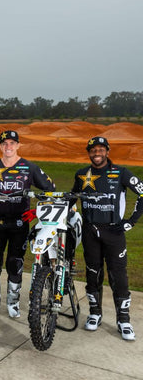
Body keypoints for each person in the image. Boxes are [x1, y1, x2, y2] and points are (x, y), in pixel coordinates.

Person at [0, 130, 55, 319]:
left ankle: (13, 303)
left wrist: (38, 211)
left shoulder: (29, 167)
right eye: (5, 144)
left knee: (14, 263)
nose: (8, 147)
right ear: (0, 146)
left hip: (20, 224)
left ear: (18, 145)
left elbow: (50, 189)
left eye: (12, 143)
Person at [71, 136, 143, 341]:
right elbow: (72, 198)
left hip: (114, 232)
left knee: (118, 276)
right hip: (90, 231)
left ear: (107, 151)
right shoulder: (81, 174)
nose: (97, 153)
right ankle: (95, 313)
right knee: (93, 273)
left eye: (101, 150)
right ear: (89, 153)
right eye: (93, 150)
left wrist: (132, 221)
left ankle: (123, 319)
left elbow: (142, 193)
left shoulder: (121, 172)